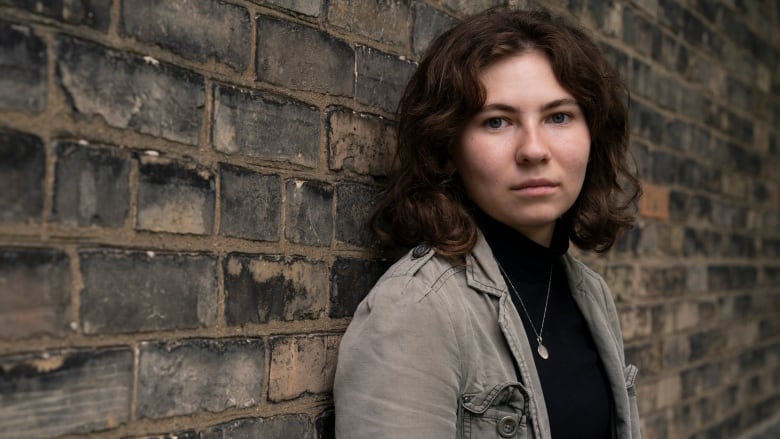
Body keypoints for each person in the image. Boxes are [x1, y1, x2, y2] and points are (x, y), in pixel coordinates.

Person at [334, 6, 642, 439]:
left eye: (558, 117)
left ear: (593, 135)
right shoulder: (417, 309)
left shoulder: (590, 295)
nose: (533, 149)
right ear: (447, 146)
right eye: (496, 121)